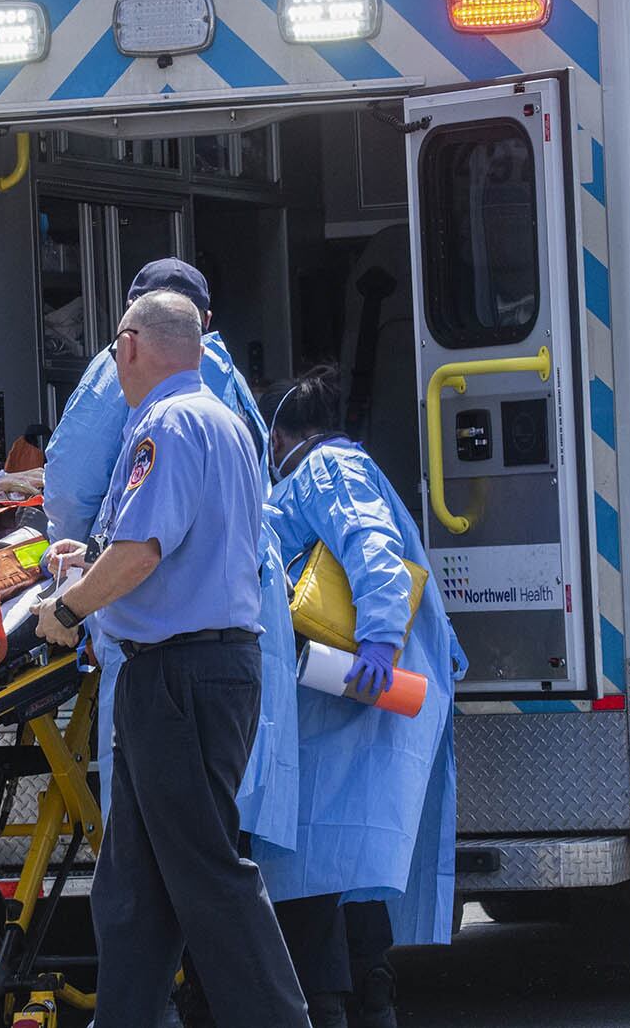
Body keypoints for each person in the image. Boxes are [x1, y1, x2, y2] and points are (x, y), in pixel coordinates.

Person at [35, 291, 308, 1028]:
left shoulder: (165, 422)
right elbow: (167, 544)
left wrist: (65, 609)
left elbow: (144, 552)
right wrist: (86, 561)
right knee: (133, 886)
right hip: (193, 670)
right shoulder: (219, 421)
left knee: (206, 874)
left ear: (127, 345)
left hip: (179, 675)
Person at [42, 257, 298, 852]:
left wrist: (78, 591)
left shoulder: (149, 387)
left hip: (168, 654)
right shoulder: (226, 394)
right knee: (185, 855)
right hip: (237, 636)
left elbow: (76, 486)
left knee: (184, 855)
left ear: (128, 335)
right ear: (203, 319)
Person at [252, 367, 466, 1028]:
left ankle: (337, 1005)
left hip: (352, 688)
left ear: (280, 434)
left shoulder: (324, 472)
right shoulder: (340, 467)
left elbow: (370, 549)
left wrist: (376, 641)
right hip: (346, 693)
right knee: (344, 858)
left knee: (311, 861)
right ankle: (370, 997)